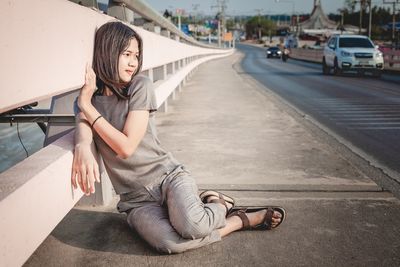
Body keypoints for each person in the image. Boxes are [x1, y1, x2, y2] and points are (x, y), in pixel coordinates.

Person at [71, 21, 285, 254]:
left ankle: (217, 204)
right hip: (136, 200)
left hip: (168, 178)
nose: (133, 62)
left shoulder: (139, 86)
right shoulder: (89, 102)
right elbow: (83, 129)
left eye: (136, 55)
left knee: (193, 225)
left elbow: (126, 147)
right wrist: (83, 145)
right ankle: (236, 221)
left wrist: (85, 106)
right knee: (169, 242)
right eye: (126, 54)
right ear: (107, 52)